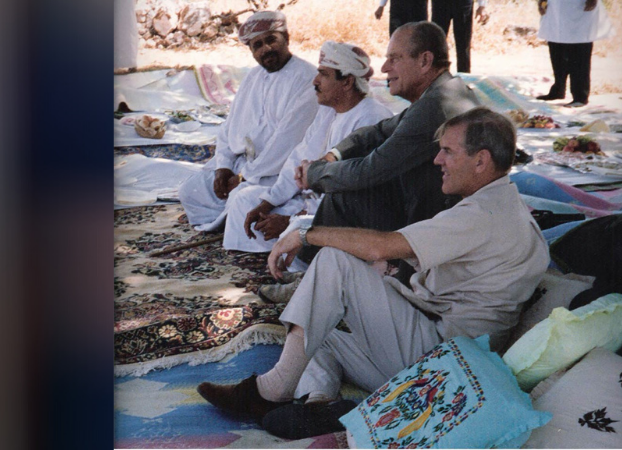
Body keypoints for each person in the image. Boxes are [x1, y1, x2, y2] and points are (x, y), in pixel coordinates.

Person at [196, 107, 550, 439]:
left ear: (481, 160)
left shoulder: (483, 215)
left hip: (444, 359)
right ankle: (319, 403)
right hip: (442, 353)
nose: (437, 160)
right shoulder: (503, 205)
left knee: (333, 263)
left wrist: (305, 234)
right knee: (317, 315)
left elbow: (383, 246)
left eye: (447, 151)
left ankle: (272, 390)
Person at [295, 21, 482, 285]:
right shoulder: (445, 91)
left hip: (434, 226)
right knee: (343, 192)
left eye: (394, 59)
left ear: (425, 61)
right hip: (427, 209)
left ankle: (315, 281)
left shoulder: (435, 106)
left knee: (343, 195)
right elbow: (378, 131)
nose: (384, 68)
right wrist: (333, 156)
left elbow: (369, 171)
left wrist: (315, 173)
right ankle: (316, 278)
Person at [222, 41, 393, 255]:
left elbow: (347, 194)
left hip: (342, 217)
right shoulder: (329, 110)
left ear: (347, 82)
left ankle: (291, 255)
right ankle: (280, 251)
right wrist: (268, 202)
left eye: (323, 74)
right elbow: (299, 157)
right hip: (310, 203)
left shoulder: (370, 118)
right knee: (244, 199)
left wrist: (290, 220)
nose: (315, 81)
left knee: (296, 232)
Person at [177, 11, 318, 229]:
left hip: (277, 171)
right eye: (257, 45)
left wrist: (244, 177)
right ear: (251, 51)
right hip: (244, 165)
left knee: (242, 200)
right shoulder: (253, 76)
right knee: (190, 190)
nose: (266, 49)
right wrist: (223, 167)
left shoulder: (306, 78)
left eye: (271, 40)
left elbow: (287, 143)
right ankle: (228, 221)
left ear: (286, 38)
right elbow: (229, 127)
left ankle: (233, 222)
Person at [535, 0, 615, 107]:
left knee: (579, 50)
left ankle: (580, 96)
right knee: (556, 46)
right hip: (555, 6)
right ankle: (558, 89)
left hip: (579, 6)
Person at [430, 0, 489, 73]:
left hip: (463, 3)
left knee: (463, 45)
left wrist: (482, 5)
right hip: (440, 3)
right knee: (437, 43)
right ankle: (438, 76)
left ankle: (463, 76)